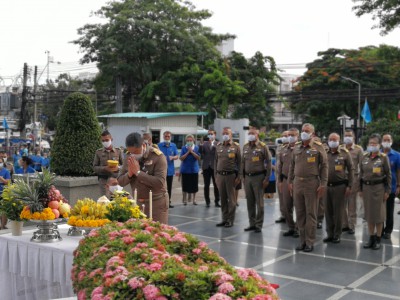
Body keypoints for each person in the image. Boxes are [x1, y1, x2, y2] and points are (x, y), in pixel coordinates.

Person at [288, 123, 328, 252]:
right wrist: (289, 182)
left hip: (312, 183)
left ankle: (310, 242)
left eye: (307, 131)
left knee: (311, 213)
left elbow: (325, 166)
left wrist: (323, 184)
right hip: (297, 183)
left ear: (313, 134)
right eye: (303, 130)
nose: (304, 132)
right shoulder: (297, 147)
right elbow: (291, 166)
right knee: (300, 213)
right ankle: (302, 240)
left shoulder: (318, 147)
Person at [118, 132, 169, 224]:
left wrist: (138, 173)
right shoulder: (129, 156)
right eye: (131, 152)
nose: (133, 155)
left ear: (143, 145)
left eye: (135, 152)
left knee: (157, 234)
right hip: (138, 204)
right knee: (140, 235)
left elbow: (159, 183)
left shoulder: (158, 156)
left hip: (156, 203)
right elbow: (120, 181)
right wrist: (129, 174)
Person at [360, 134, 391, 250]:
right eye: (370, 143)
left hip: (379, 189)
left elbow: (388, 175)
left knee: (378, 216)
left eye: (374, 143)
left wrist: (387, 191)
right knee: (369, 215)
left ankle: (378, 239)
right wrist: (360, 189)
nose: (372, 145)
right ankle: (371, 238)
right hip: (366, 189)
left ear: (379, 145)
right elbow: (360, 174)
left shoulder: (383, 157)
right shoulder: (364, 157)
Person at [323, 133, 354, 244]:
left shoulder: (345, 153)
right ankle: (329, 234)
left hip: (340, 186)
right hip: (326, 186)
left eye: (334, 139)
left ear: (339, 141)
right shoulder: (324, 153)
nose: (332, 141)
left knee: (338, 212)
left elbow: (351, 170)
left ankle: (337, 234)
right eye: (330, 139)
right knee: (328, 211)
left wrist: (350, 186)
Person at [241, 127, 271, 233]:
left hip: (259, 178)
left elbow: (269, 162)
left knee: (259, 203)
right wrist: (242, 177)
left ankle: (259, 224)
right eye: (249, 133)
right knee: (250, 202)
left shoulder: (263, 147)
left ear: (257, 135)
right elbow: (242, 163)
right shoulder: (245, 147)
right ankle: (252, 223)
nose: (250, 135)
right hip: (247, 177)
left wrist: (267, 178)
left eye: (252, 133)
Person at [215, 127, 241, 228]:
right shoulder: (219, 146)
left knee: (232, 200)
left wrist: (239, 176)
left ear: (231, 135)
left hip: (231, 176)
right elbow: (215, 162)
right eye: (223, 133)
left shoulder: (236, 147)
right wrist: (216, 176)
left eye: (227, 133)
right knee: (223, 199)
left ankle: (230, 220)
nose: (225, 135)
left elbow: (240, 163)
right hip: (220, 176)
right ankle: (224, 219)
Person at [340, 129, 364, 234]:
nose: (347, 137)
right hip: (341, 179)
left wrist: (360, 182)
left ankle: (352, 225)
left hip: (353, 178)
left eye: (349, 135)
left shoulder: (358, 149)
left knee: (352, 203)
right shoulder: (340, 148)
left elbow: (362, 166)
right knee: (342, 203)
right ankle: (344, 224)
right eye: (346, 135)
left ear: (353, 137)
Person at [277, 127, 299, 237]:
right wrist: (280, 181)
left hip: (298, 181)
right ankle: (291, 227)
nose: (290, 137)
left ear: (297, 136)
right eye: (289, 135)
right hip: (285, 180)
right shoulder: (283, 149)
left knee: (299, 206)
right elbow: (280, 165)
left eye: (293, 135)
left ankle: (298, 229)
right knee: (287, 206)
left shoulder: (301, 148)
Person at [380, 134, 400, 240]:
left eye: (388, 140)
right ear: (381, 141)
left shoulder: (397, 155)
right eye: (384, 140)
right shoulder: (376, 154)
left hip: (390, 188)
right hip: (377, 188)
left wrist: (398, 186)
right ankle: (379, 230)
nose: (386, 141)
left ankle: (388, 230)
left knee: (389, 210)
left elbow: (398, 172)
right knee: (379, 210)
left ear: (391, 141)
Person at [93, 130, 124, 196]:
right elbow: (94, 167)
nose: (105, 142)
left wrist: (118, 167)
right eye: (103, 141)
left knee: (117, 200)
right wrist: (105, 168)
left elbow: (124, 166)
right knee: (105, 201)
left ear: (111, 139)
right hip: (104, 181)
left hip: (115, 180)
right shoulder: (98, 152)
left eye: (107, 140)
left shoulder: (118, 151)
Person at [158, 131, 179, 208]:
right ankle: (160, 202)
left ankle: (168, 202)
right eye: (166, 136)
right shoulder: (159, 145)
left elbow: (177, 156)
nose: (167, 138)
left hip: (170, 170)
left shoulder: (173, 145)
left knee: (169, 187)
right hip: (161, 170)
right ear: (163, 137)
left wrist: (173, 157)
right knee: (161, 187)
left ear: (170, 137)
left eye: (168, 136)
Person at [200, 130, 220, 208]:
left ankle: (217, 201)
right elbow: (201, 154)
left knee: (216, 185)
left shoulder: (218, 143)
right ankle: (207, 201)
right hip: (206, 167)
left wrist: (215, 146)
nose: (210, 135)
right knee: (206, 185)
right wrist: (201, 146)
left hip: (214, 167)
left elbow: (219, 153)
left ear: (215, 135)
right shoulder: (204, 143)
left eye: (212, 134)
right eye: (209, 134)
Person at [179, 134, 201, 205]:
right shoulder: (183, 148)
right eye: (188, 140)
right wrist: (188, 152)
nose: (189, 142)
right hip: (185, 170)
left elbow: (198, 157)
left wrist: (192, 152)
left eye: (190, 140)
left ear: (193, 140)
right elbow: (181, 158)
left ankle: (194, 199)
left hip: (194, 169)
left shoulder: (197, 148)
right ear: (186, 141)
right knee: (185, 185)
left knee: (194, 186)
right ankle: (184, 199)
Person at [275, 131, 289, 223]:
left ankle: (291, 217)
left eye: (286, 136)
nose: (284, 137)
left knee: (291, 198)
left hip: (289, 176)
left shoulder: (295, 147)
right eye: (283, 136)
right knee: (281, 197)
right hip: (279, 176)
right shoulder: (279, 147)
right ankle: (283, 215)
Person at [0, 160, 11, 229]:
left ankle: (3, 225)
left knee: (3, 210)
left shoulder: (6, 171)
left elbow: (7, 182)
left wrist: (1, 178)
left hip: (3, 193)